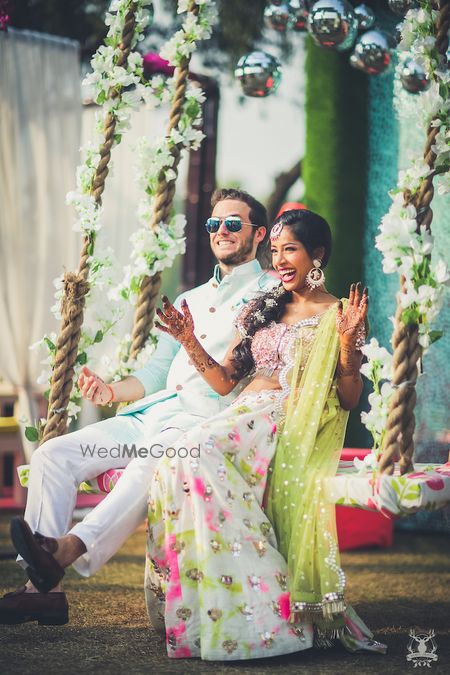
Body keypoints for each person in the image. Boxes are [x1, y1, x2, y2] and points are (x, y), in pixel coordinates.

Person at [0, 188, 278, 626]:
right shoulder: (189, 298)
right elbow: (153, 374)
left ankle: (67, 550)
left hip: (202, 421)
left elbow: (236, 378)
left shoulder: (271, 294)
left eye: (232, 223)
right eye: (213, 224)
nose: (221, 232)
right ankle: (42, 591)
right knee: (54, 455)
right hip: (152, 414)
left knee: (149, 465)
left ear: (258, 234)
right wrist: (111, 392)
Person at [141, 208, 387, 660]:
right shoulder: (263, 307)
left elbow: (349, 399)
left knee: (194, 449)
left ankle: (266, 597)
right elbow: (223, 381)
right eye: (274, 251)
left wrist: (349, 349)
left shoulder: (341, 315)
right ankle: (217, 607)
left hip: (283, 420)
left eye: (289, 249)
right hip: (240, 413)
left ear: (318, 254)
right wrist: (188, 340)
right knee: (178, 458)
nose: (280, 260)